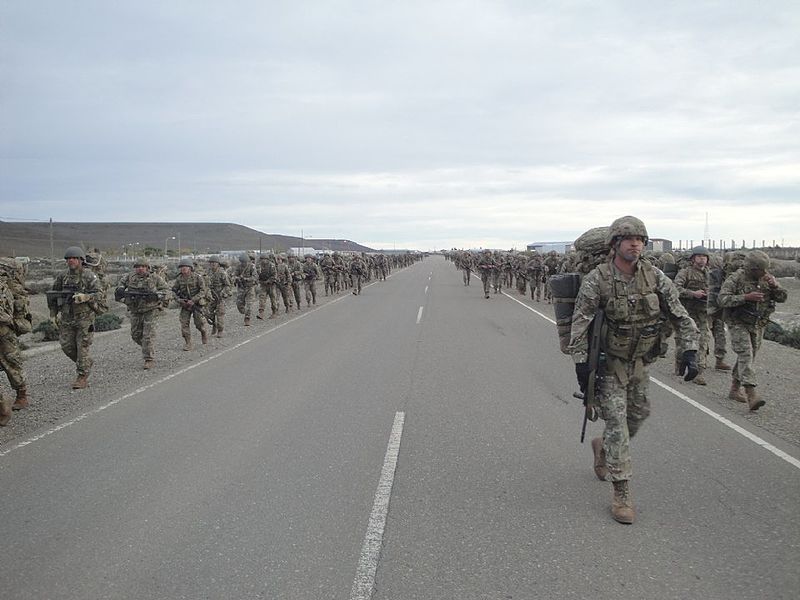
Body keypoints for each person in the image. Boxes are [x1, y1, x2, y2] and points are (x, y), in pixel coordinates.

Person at [569, 216, 699, 524]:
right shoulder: (597, 279)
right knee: (617, 425)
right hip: (608, 365)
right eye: (628, 239)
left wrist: (690, 349)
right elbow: (580, 323)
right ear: (615, 244)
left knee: (637, 417)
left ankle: (602, 451)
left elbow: (680, 316)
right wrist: (581, 365)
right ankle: (622, 493)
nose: (635, 243)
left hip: (640, 362)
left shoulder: (654, 277)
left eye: (640, 239)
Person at [717, 250, 787, 411]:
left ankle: (734, 388)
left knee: (748, 357)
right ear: (751, 268)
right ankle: (751, 394)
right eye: (759, 270)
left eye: (765, 269)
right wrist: (745, 297)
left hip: (758, 324)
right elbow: (722, 299)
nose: (763, 273)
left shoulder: (767, 279)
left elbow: (783, 298)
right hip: (737, 322)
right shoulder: (736, 278)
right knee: (745, 354)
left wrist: (776, 287)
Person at [47, 246, 103, 389]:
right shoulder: (62, 276)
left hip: (84, 318)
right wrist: (53, 315)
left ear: (80, 260)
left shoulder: (89, 275)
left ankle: (82, 376)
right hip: (67, 318)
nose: (71, 261)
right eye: (68, 259)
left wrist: (86, 297)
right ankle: (85, 362)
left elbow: (99, 294)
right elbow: (53, 295)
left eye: (74, 258)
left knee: (82, 346)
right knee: (67, 347)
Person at [115, 258, 169, 369]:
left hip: (151, 310)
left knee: (147, 336)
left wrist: (156, 295)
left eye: (143, 266)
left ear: (147, 268)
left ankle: (149, 359)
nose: (140, 269)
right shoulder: (129, 277)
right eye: (138, 266)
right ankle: (148, 348)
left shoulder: (155, 278)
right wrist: (121, 290)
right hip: (135, 310)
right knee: (135, 335)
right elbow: (119, 287)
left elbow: (167, 291)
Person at [673, 246, 711, 385]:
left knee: (703, 341)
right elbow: (675, 288)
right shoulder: (685, 273)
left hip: (703, 312)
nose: (702, 259)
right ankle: (679, 365)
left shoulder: (710, 274)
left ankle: (699, 372)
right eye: (699, 256)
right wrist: (693, 293)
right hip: (687, 312)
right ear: (693, 258)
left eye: (704, 257)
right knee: (684, 340)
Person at [0, 258, 31, 411]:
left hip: (4, 330)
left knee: (11, 361)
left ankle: (21, 393)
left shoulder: (4, 287)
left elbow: (6, 313)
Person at [172, 258, 209, 351]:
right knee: (184, 323)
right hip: (185, 305)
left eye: (186, 267)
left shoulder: (197, 277)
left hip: (196, 304)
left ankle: (203, 332)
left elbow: (203, 290)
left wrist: (193, 300)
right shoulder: (179, 279)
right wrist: (180, 300)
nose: (183, 268)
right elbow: (173, 291)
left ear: (190, 268)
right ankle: (188, 343)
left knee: (199, 324)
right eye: (182, 267)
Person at [206, 255, 232, 337]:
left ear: (218, 264)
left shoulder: (222, 273)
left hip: (220, 297)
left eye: (214, 263)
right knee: (208, 314)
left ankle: (220, 330)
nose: (213, 264)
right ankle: (214, 325)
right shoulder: (208, 272)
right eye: (211, 263)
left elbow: (228, 285)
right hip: (210, 297)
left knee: (220, 314)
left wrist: (223, 292)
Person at [234, 252, 258, 325]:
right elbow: (234, 275)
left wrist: (247, 279)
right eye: (242, 262)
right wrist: (237, 278)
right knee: (239, 304)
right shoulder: (238, 267)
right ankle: (244, 312)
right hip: (241, 288)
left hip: (250, 287)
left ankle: (247, 318)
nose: (243, 263)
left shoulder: (252, 266)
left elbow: (255, 277)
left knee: (249, 304)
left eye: (245, 262)